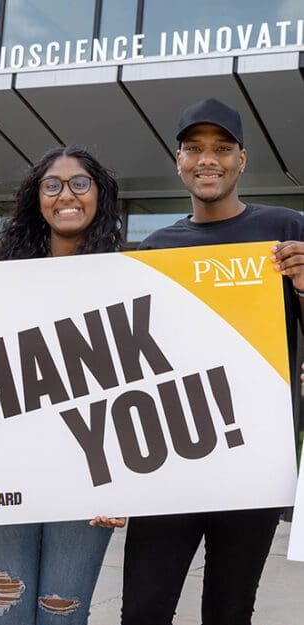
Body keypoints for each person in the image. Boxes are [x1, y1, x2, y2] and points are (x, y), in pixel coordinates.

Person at [121, 98, 304, 625]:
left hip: (254, 460)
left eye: (222, 148)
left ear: (241, 160)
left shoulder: (286, 229)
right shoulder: (156, 248)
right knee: (143, 611)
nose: (208, 159)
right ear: (177, 160)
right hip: (169, 460)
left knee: (229, 611)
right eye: (194, 149)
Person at [0, 146, 125, 625]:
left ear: (99, 195)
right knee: (6, 612)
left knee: (63, 614)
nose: (67, 195)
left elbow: (137, 387)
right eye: (53, 184)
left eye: (80, 183)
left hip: (87, 472)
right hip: (3, 470)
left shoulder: (128, 281)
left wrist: (131, 484)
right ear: (36, 198)